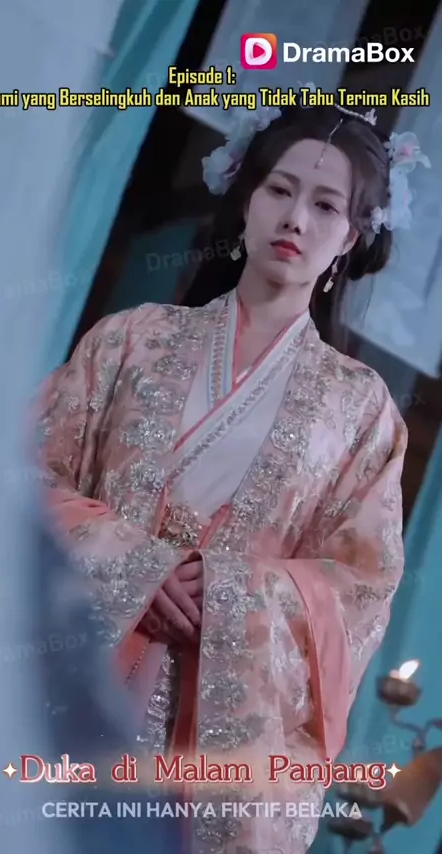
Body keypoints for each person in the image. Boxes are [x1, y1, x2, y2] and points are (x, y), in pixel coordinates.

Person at [36, 100, 429, 853]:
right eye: (280, 189)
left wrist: (226, 591)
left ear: (351, 237)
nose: (295, 219)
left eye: (326, 206)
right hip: (75, 674)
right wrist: (135, 564)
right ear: (247, 196)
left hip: (208, 738)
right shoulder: (131, 339)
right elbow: (21, 487)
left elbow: (360, 589)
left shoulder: (361, 411)